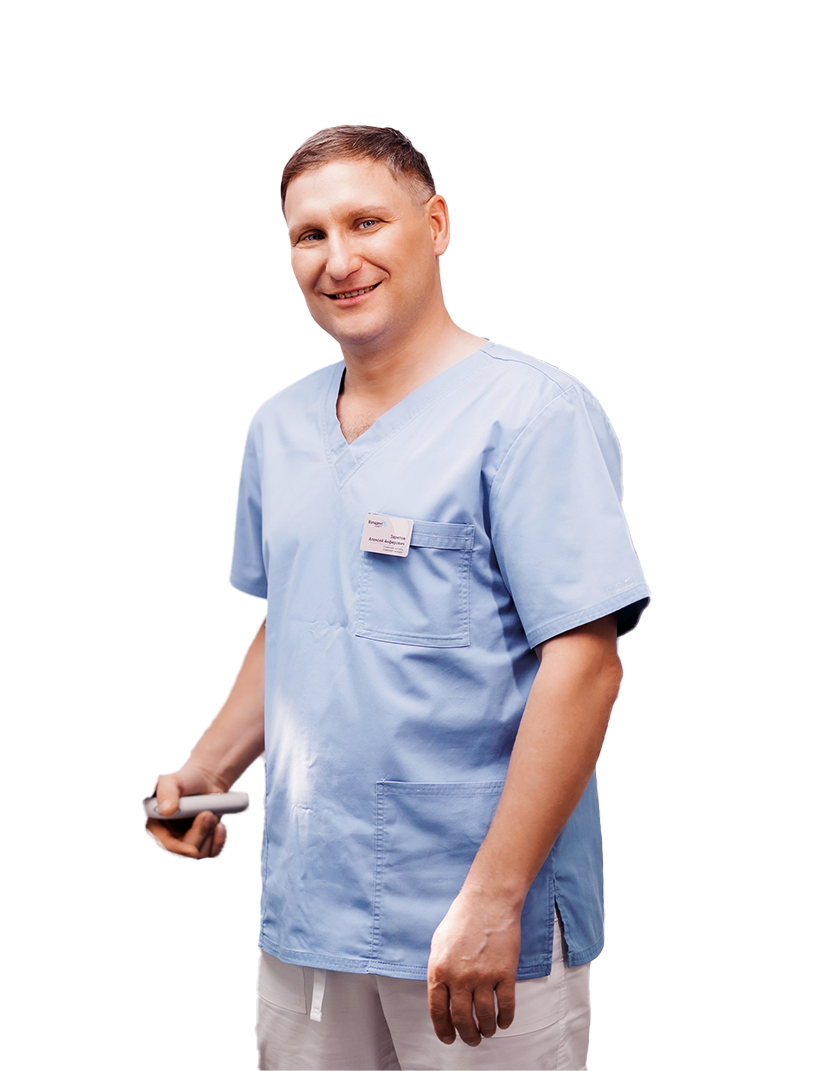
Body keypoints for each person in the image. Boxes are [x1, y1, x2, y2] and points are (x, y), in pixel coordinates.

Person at [146, 124, 651, 1071]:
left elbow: (584, 664)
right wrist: (204, 768)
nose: (339, 260)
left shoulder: (534, 414)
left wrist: (494, 897)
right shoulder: (280, 428)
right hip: (310, 909)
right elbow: (300, 622)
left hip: (475, 916)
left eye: (366, 222)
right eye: (310, 234)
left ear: (437, 224)